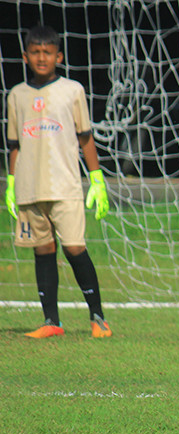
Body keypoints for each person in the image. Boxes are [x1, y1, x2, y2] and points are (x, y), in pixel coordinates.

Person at [5, 24, 111, 339]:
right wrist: (11, 182)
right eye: (35, 52)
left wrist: (96, 179)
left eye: (48, 52)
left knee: (74, 247)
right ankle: (51, 321)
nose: (42, 58)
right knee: (43, 249)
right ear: (25, 56)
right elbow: (14, 144)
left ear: (58, 56)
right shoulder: (17, 95)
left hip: (65, 185)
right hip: (29, 187)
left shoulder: (72, 90)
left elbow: (85, 137)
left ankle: (98, 318)